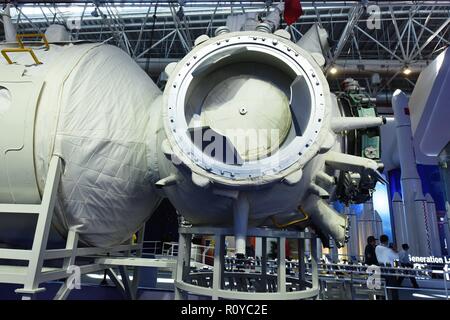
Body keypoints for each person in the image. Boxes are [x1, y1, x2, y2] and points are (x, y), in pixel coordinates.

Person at [375, 234, 400, 300]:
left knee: (383, 288)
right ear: (387, 241)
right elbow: (397, 258)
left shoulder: (377, 248)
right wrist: (395, 250)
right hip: (390, 271)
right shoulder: (389, 250)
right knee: (394, 289)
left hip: (381, 270)